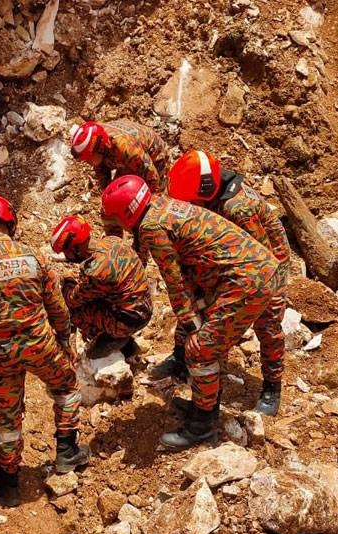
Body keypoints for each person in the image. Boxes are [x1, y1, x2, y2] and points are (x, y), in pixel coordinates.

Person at [101, 175, 278, 450]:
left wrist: (193, 325)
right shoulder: (162, 205)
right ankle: (203, 407)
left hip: (246, 282)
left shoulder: (152, 227)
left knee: (201, 350)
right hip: (245, 273)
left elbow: (175, 283)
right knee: (206, 341)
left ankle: (202, 427)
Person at [0, 195, 89, 507]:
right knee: (66, 387)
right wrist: (66, 342)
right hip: (40, 346)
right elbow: (57, 308)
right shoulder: (32, 256)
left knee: (7, 417)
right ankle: (67, 453)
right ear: (10, 223)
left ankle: (9, 483)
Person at [164, 149, 291, 415]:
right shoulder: (208, 190)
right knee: (193, 297)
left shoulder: (238, 209)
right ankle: (179, 356)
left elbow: (263, 259)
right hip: (232, 257)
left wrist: (266, 294)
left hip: (266, 266)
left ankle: (272, 386)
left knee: (267, 324)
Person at [49, 214, 152, 358]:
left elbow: (72, 299)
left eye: (67, 253)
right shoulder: (112, 241)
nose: (67, 257)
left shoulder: (96, 272)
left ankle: (116, 340)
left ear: (75, 249)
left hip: (130, 320)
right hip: (143, 306)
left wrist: (66, 280)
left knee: (74, 313)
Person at [70, 119, 169, 189]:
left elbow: (153, 179)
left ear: (99, 149)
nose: (88, 162)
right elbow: (102, 173)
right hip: (129, 157)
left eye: (88, 159)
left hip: (157, 158)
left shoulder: (126, 149)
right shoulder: (101, 145)